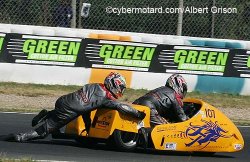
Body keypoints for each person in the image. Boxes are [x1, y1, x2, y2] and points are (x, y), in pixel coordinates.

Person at [13, 72, 146, 142]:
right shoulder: (106, 98)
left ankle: (46, 115)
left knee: (56, 120)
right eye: (120, 87)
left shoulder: (94, 85)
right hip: (68, 111)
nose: (120, 90)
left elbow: (86, 109)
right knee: (43, 133)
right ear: (114, 84)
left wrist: (88, 127)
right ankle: (21, 137)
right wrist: (138, 114)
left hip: (62, 101)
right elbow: (122, 107)